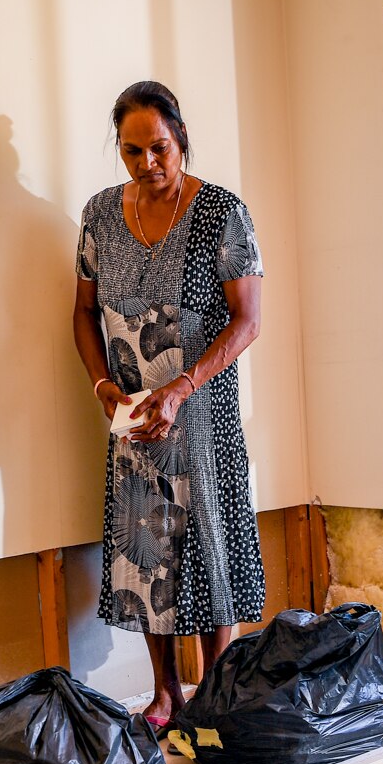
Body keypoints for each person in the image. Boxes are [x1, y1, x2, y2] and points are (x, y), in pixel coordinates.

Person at [72, 80, 265, 730]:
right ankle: (165, 696)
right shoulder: (99, 215)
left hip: (202, 416)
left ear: (179, 137)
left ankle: (215, 694)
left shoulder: (221, 212)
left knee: (210, 548)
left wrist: (183, 387)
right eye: (131, 151)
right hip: (136, 425)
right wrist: (104, 386)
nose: (147, 163)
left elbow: (246, 321)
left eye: (158, 148)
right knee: (146, 554)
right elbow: (80, 313)